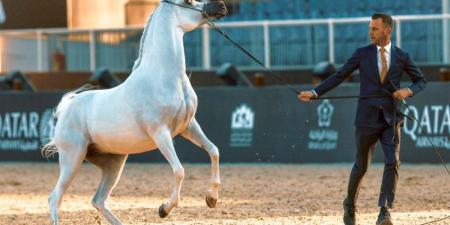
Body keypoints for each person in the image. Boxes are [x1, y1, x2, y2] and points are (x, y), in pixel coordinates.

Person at [298, 12, 427, 225]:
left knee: (393, 161)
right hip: (366, 119)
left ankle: (384, 211)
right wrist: (315, 93)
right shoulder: (362, 54)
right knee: (361, 166)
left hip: (391, 119)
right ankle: (350, 204)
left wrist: (408, 92)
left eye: (374, 29)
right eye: (370, 28)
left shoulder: (402, 56)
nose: (370, 32)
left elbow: (421, 80)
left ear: (387, 30)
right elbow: (339, 75)